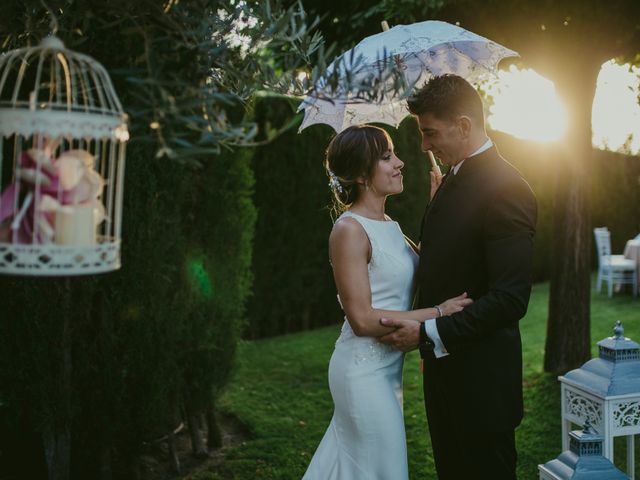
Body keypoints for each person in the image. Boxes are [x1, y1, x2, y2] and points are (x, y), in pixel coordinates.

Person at [379, 74, 538, 479]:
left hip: (482, 390)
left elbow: (510, 299)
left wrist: (426, 334)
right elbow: (447, 261)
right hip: (445, 380)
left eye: (431, 133)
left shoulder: (507, 188)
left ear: (464, 126)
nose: (425, 146)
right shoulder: (451, 178)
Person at [302, 124, 472, 479]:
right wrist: (439, 314)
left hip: (387, 372)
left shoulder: (390, 224)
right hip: (361, 371)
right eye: (386, 156)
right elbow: (362, 320)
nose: (400, 163)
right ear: (362, 174)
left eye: (393, 154)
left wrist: (438, 206)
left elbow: (428, 264)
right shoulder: (349, 230)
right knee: (383, 469)